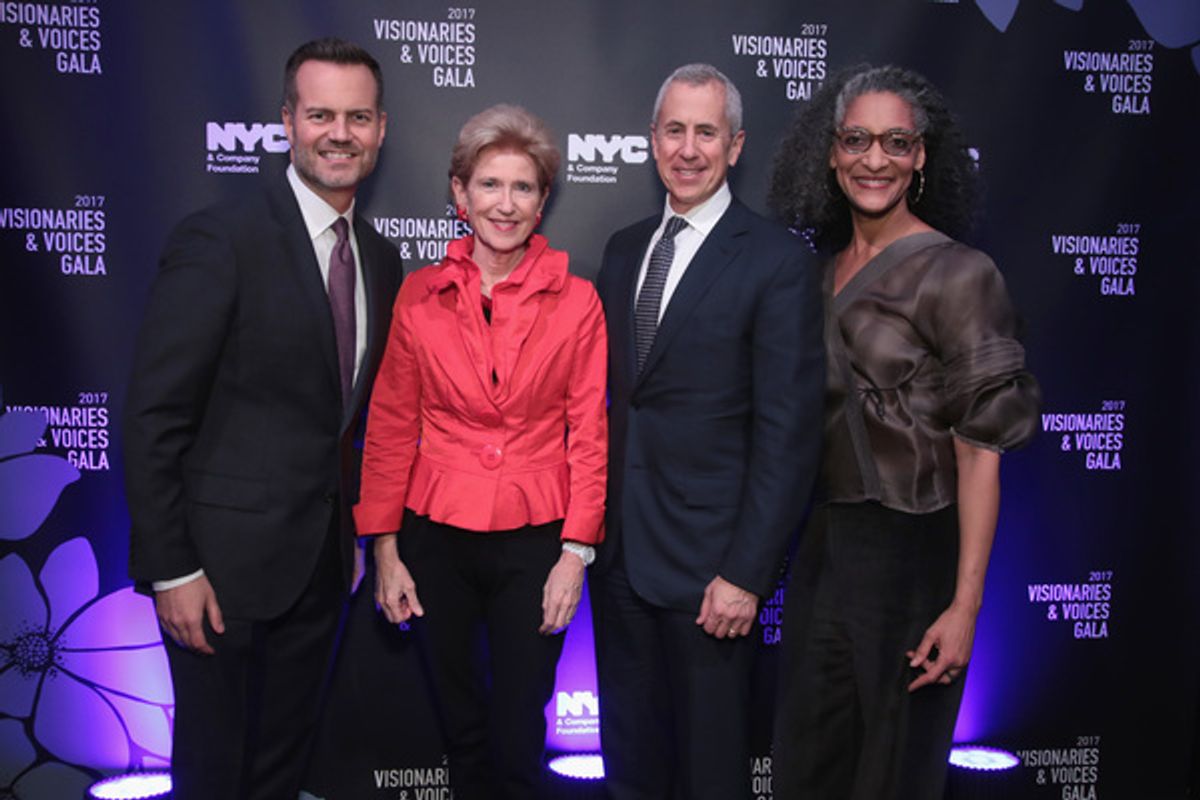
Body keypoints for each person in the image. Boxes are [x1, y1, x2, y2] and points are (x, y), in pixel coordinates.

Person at [123, 38, 402, 800]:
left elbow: (345, 420)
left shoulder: (379, 259)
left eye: (357, 116)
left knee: (281, 769)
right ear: (287, 122)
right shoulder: (221, 239)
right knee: (215, 774)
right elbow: (153, 416)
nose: (338, 133)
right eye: (320, 114)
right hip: (216, 574)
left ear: (381, 130)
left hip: (319, 571)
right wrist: (172, 568)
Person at [767, 64, 1041, 799]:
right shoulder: (818, 275)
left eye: (896, 142)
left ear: (921, 156)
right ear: (830, 152)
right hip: (824, 547)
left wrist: (965, 608)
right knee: (808, 771)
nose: (874, 159)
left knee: (893, 777)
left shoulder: (959, 273)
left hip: (915, 553)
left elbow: (980, 457)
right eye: (857, 139)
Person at [353, 104, 607, 800]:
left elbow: (588, 432)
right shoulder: (418, 296)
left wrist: (574, 555)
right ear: (459, 195)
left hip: (536, 540)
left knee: (520, 731)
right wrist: (384, 550)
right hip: (434, 537)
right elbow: (392, 425)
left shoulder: (579, 301)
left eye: (522, 187)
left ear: (543, 199)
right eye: (488, 185)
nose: (505, 203)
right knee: (460, 729)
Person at [591, 63, 825, 799]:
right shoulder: (625, 248)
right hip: (618, 557)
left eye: (705, 132)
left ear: (735, 145)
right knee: (631, 764)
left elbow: (788, 433)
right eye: (673, 130)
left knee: (710, 771)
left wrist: (749, 574)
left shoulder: (776, 260)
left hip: (711, 574)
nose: (687, 149)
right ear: (652, 141)